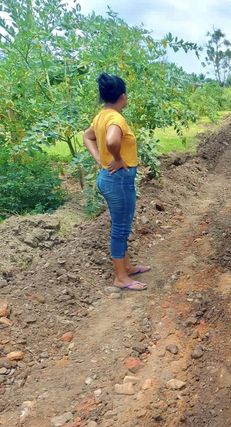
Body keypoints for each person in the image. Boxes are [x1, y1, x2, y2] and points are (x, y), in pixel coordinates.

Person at [83, 73, 149, 291]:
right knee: (121, 228)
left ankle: (126, 267)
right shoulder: (116, 119)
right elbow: (111, 140)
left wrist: (100, 159)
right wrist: (118, 159)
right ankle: (120, 277)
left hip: (109, 178)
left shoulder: (100, 116)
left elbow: (87, 136)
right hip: (119, 180)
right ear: (122, 96)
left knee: (120, 224)